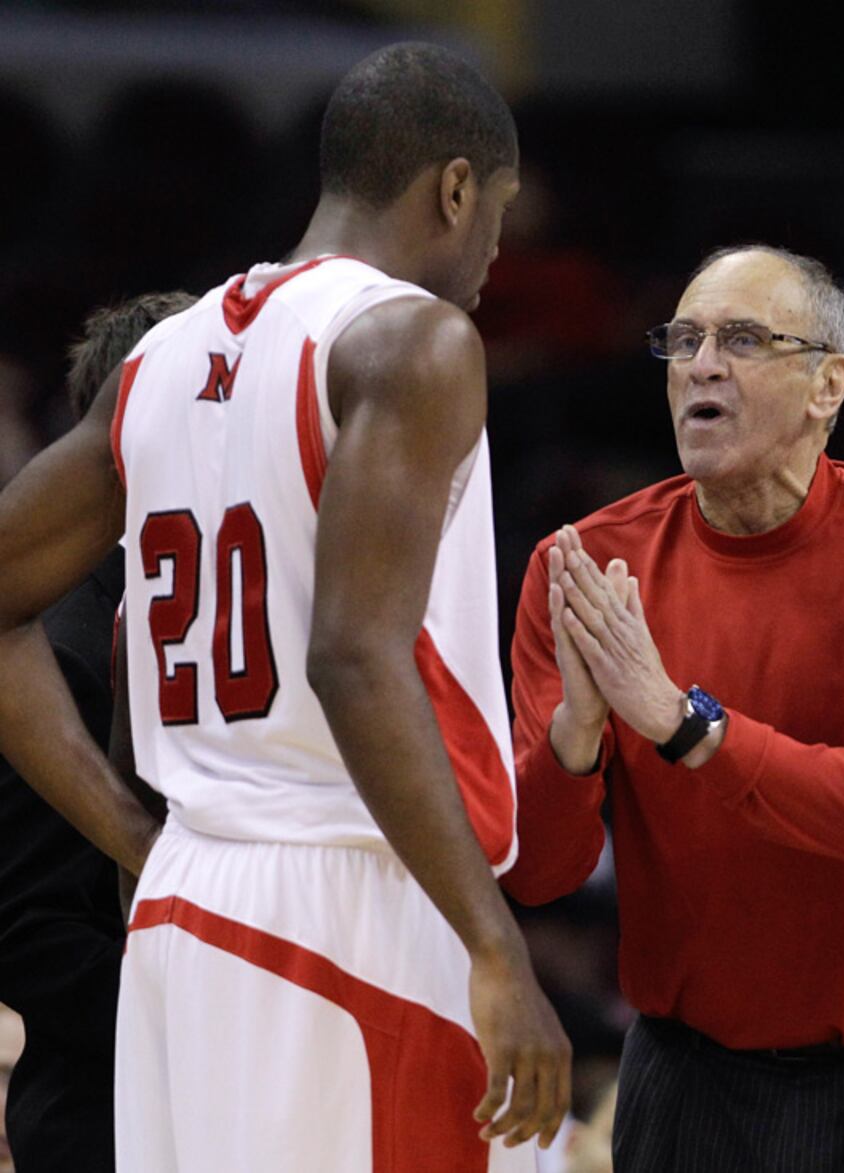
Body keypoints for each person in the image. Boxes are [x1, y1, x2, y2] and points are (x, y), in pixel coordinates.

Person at [0, 42, 570, 1170]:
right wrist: (496, 946)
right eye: (497, 215)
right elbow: (353, 657)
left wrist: (136, 834)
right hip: (346, 901)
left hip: (184, 905)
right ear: (455, 188)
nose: (497, 250)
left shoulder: (162, 356)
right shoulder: (413, 340)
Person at [502, 243, 844, 1171]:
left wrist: (683, 725)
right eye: (683, 339)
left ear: (829, 385)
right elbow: (539, 874)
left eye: (739, 338)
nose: (700, 363)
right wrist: (576, 736)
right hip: (680, 1075)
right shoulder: (585, 568)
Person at [0, 291, 193, 1173]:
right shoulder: (62, 644)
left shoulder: (219, 603)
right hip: (102, 1118)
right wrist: (199, 1004)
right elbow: (25, 928)